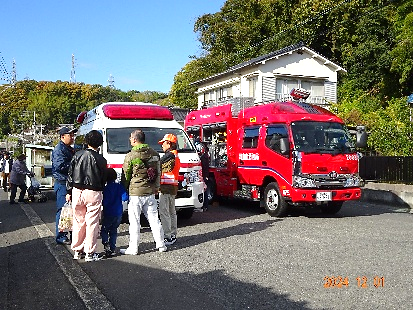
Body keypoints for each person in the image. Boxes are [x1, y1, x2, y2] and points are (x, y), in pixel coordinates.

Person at [120, 129, 167, 255]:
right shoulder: (155, 154)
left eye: (131, 138)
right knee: (154, 220)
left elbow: (126, 175)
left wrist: (124, 189)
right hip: (150, 192)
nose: (130, 140)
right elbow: (158, 173)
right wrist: (157, 187)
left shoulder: (131, 156)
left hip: (135, 193)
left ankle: (133, 248)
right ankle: (161, 244)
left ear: (135, 139)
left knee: (135, 222)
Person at [66, 130, 107, 262]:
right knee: (92, 222)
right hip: (93, 192)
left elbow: (70, 174)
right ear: (100, 143)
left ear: (86, 142)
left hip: (77, 190)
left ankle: (77, 250)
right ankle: (90, 252)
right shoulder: (101, 159)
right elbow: (103, 179)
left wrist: (68, 191)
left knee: (78, 221)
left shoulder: (77, 155)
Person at [52, 126, 77, 245]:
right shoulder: (59, 150)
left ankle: (70, 233)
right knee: (62, 211)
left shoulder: (68, 148)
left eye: (72, 135)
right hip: (62, 183)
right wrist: (74, 164)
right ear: (63, 137)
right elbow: (59, 166)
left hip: (68, 183)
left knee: (70, 210)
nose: (72, 137)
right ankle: (61, 236)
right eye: (70, 135)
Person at [101, 168, 128, 257]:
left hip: (108, 212)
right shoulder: (119, 186)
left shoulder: (105, 189)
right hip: (118, 213)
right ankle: (112, 248)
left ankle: (106, 243)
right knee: (113, 231)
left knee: (104, 230)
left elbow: (103, 201)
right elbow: (125, 198)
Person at [158, 134, 180, 245]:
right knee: (171, 212)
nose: (162, 145)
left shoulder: (169, 156)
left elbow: (160, 165)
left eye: (164, 143)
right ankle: (173, 234)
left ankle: (168, 236)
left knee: (164, 211)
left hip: (166, 187)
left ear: (169, 144)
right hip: (172, 187)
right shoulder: (175, 155)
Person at [195, 140, 210, 211]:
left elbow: (205, 167)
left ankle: (205, 205)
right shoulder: (204, 156)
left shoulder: (204, 157)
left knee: (204, 190)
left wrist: (206, 177)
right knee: (203, 190)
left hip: (203, 176)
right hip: (202, 175)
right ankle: (203, 205)